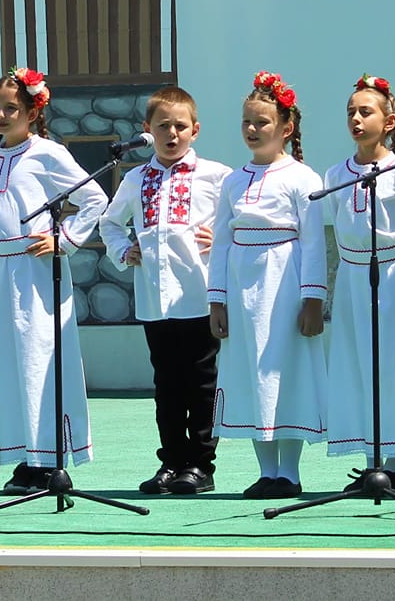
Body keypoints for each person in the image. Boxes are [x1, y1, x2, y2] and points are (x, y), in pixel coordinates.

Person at [98, 85, 231, 495]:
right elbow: (109, 223)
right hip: (156, 300)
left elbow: (239, 219)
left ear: (195, 129)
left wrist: (223, 236)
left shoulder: (217, 175)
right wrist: (125, 250)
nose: (171, 134)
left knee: (202, 383)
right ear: (146, 129)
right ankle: (171, 462)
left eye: (180, 126)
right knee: (167, 385)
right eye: (162, 127)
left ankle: (200, 464)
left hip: (199, 294)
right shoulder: (137, 178)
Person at [0, 66, 108, 494]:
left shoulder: (46, 153)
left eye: (11, 109)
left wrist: (65, 238)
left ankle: (49, 457)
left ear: (33, 111)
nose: (1, 115)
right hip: (5, 271)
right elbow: (0, 206)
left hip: (38, 272)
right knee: (14, 364)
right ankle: (25, 455)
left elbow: (94, 196)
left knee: (41, 360)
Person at [206, 71, 326, 500]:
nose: (253, 130)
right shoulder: (233, 181)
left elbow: (313, 243)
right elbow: (221, 241)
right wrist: (216, 300)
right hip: (242, 286)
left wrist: (313, 298)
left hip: (285, 280)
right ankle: (266, 469)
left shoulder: (303, 177)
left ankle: (289, 472)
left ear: (286, 128)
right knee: (252, 372)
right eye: (247, 122)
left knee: (283, 370)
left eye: (262, 122)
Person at [314, 75, 395, 488]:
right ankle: (370, 461)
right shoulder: (335, 173)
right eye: (351, 111)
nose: (356, 118)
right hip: (352, 276)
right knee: (357, 365)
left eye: (366, 111)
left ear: (390, 120)